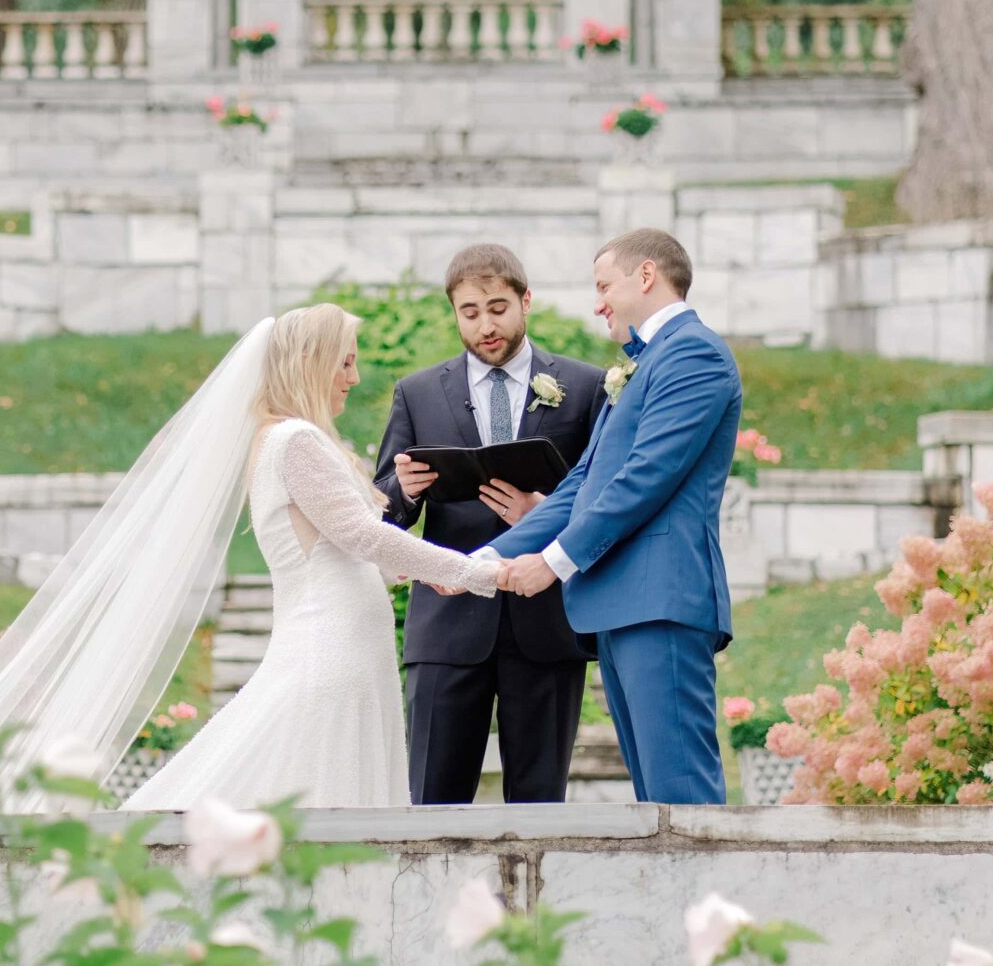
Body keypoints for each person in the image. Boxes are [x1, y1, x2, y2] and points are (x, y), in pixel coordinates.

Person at [121, 305, 504, 809]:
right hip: (332, 650)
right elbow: (361, 535)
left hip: (345, 646)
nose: (355, 377)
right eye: (344, 363)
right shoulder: (296, 440)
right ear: (309, 361)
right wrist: (471, 570)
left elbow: (332, 549)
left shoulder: (285, 438)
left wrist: (412, 573)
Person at [484, 228, 741, 805]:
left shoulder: (693, 353)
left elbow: (645, 478)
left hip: (662, 601)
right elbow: (583, 485)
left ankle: (710, 899)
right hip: (623, 606)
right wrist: (480, 561)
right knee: (654, 803)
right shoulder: (642, 365)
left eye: (604, 286)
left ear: (645, 276)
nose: (598, 302)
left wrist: (552, 564)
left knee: (682, 798)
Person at [373, 244, 606, 803]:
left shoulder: (587, 385)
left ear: (526, 302)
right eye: (470, 312)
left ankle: (532, 898)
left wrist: (541, 515)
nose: (486, 325)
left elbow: (604, 497)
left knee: (539, 805)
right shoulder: (418, 392)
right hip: (447, 622)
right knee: (431, 801)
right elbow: (382, 513)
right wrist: (401, 492)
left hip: (547, 621)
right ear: (454, 313)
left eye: (498, 308)